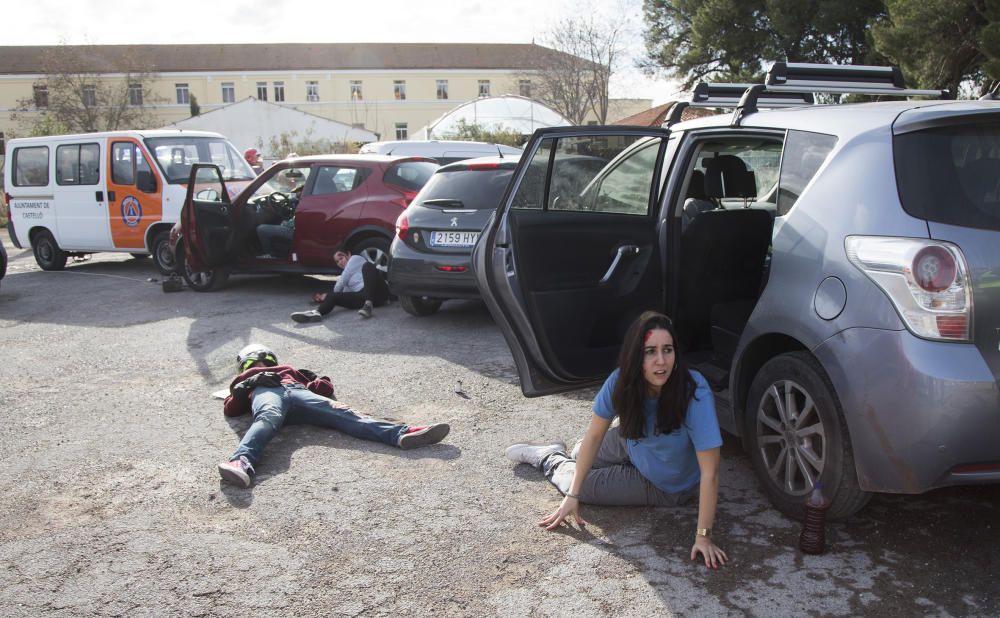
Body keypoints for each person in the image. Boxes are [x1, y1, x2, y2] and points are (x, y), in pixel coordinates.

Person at [505, 311, 728, 568]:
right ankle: (568, 455)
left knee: (582, 484)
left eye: (667, 350)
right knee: (580, 454)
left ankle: (549, 458)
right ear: (636, 356)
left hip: (662, 483)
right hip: (633, 440)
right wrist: (571, 497)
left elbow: (710, 472)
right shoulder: (621, 381)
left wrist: (704, 537)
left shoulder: (694, 391)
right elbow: (595, 435)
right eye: (650, 351)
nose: (661, 361)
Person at [218, 344, 451, 487]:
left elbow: (325, 391)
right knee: (267, 417)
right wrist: (249, 383)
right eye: (255, 362)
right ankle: (241, 461)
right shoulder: (246, 378)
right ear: (246, 365)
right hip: (268, 393)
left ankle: (401, 434)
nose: (260, 364)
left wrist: (316, 380)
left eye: (264, 361)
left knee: (344, 413)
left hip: (299, 393)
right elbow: (231, 407)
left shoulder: (289, 371)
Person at [290, 249, 388, 322]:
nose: (340, 262)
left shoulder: (355, 259)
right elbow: (341, 292)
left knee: (368, 266)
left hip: (378, 292)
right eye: (337, 261)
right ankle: (317, 313)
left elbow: (339, 284)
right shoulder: (345, 277)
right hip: (362, 296)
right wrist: (326, 297)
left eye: (341, 258)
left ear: (348, 255)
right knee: (332, 296)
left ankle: (368, 305)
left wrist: (336, 289)